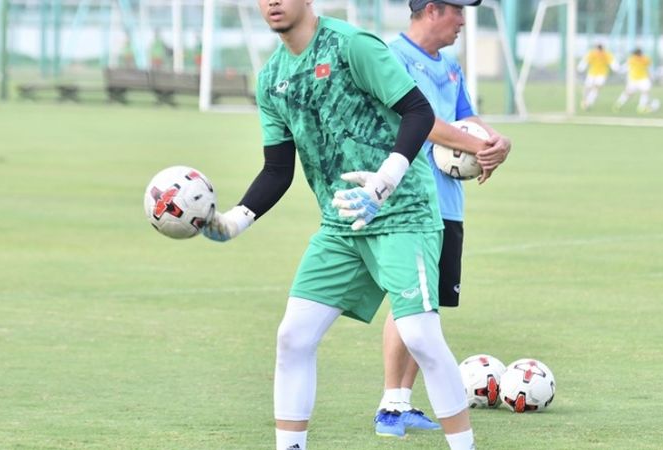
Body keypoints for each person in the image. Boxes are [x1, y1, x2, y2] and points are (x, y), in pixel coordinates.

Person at [202, 0, 476, 448]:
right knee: (293, 336)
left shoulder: (351, 45)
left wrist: (382, 184)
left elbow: (419, 112)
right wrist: (234, 220)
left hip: (402, 213)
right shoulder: (272, 79)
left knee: (421, 336)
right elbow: (277, 170)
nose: (272, 2)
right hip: (342, 225)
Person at [374, 0, 512, 438]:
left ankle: (401, 402)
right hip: (410, 198)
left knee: (427, 304)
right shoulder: (391, 58)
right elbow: (422, 121)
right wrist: (472, 145)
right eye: (458, 10)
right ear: (431, 9)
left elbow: (463, 116)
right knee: (411, 301)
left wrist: (493, 141)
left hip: (448, 203)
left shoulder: (450, 65)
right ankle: (390, 406)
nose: (464, 21)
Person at [613, 48, 658, 113]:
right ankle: (640, 107)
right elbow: (649, 69)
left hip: (637, 79)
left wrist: (619, 70)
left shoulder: (633, 59)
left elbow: (625, 68)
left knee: (637, 93)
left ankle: (620, 104)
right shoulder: (644, 59)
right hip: (640, 79)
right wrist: (651, 77)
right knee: (641, 93)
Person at [577, 43, 618, 111]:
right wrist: (580, 68)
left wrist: (616, 68)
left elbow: (613, 62)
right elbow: (585, 61)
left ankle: (589, 102)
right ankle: (584, 100)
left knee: (597, 87)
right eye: (598, 48)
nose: (599, 50)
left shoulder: (606, 54)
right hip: (592, 73)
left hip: (602, 74)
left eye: (600, 49)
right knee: (588, 88)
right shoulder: (592, 53)